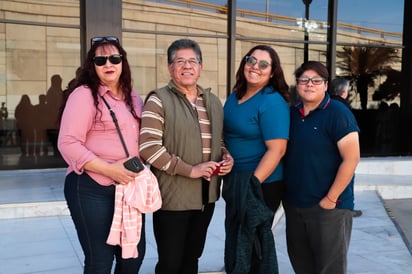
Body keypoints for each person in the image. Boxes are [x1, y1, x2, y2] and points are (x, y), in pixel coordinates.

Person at [139, 38, 234, 274]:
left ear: (200, 67)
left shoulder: (212, 101)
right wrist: (190, 170)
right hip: (173, 196)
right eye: (179, 61)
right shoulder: (158, 99)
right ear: (170, 68)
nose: (187, 66)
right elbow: (149, 148)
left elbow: (218, 140)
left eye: (193, 61)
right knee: (171, 262)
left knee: (192, 258)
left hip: (206, 196)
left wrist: (226, 157)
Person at [58, 36, 147, 274]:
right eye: (100, 59)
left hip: (128, 189)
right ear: (92, 65)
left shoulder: (134, 98)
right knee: (100, 261)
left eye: (114, 58)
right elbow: (67, 142)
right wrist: (109, 169)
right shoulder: (84, 95)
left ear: (122, 62)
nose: (108, 64)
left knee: (132, 258)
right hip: (91, 188)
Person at [284, 61, 360, 274]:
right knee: (302, 266)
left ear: (325, 85)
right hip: (296, 206)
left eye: (316, 80)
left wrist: (330, 199)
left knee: (329, 269)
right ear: (297, 84)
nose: (309, 84)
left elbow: (351, 159)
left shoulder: (338, 113)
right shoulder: (291, 113)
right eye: (304, 80)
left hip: (330, 208)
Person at [222, 45, 290, 274]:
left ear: (272, 73)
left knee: (255, 248)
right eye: (251, 60)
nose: (255, 67)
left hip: (261, 184)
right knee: (237, 241)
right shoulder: (235, 96)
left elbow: (277, 150)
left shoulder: (272, 101)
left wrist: (253, 184)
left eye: (263, 64)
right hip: (235, 180)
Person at [329, 77, 363, 218]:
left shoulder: (324, 105)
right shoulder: (343, 109)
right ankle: (347, 209)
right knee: (347, 178)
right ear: (344, 91)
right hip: (340, 154)